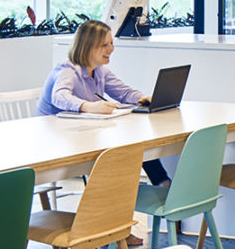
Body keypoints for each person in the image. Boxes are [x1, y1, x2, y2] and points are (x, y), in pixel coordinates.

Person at [38, 18, 169, 184]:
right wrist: (89, 107)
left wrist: (142, 98)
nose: (111, 49)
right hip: (54, 138)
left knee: (134, 138)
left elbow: (124, 92)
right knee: (118, 143)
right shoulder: (67, 70)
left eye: (111, 43)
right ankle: (109, 194)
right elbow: (59, 96)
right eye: (104, 45)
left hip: (81, 134)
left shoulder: (100, 71)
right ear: (88, 46)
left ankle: (161, 182)